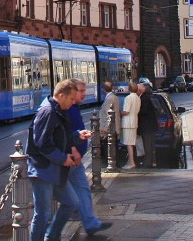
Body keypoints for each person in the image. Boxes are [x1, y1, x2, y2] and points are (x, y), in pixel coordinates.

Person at [27, 79, 81, 241]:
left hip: (54, 170)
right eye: (71, 99)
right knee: (43, 214)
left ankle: (51, 236)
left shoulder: (58, 110)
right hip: (43, 170)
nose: (73, 103)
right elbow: (42, 143)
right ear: (62, 95)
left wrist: (77, 136)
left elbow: (59, 138)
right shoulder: (48, 112)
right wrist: (63, 158)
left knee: (71, 202)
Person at [66, 80, 112, 236]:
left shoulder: (74, 107)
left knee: (83, 189)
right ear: (71, 92)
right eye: (81, 90)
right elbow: (63, 132)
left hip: (75, 161)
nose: (84, 93)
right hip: (68, 159)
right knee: (57, 195)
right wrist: (72, 148)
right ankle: (51, 228)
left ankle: (90, 223)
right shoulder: (66, 108)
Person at [97, 81, 122, 164]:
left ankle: (112, 165)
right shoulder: (114, 97)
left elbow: (109, 115)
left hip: (110, 129)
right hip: (114, 127)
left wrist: (105, 129)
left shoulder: (109, 99)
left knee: (110, 148)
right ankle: (114, 164)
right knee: (113, 148)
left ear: (103, 89)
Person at [119, 80, 141, 170]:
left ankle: (131, 163)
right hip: (134, 122)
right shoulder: (138, 98)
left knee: (128, 144)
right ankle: (130, 162)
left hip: (128, 123)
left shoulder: (128, 98)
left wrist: (120, 113)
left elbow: (126, 111)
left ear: (129, 88)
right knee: (131, 143)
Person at [136, 81, 157, 168]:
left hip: (146, 126)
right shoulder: (150, 97)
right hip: (151, 125)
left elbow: (143, 111)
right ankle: (151, 162)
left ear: (141, 90)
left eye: (138, 90)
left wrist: (137, 112)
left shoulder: (144, 98)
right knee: (151, 145)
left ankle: (148, 163)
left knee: (147, 145)